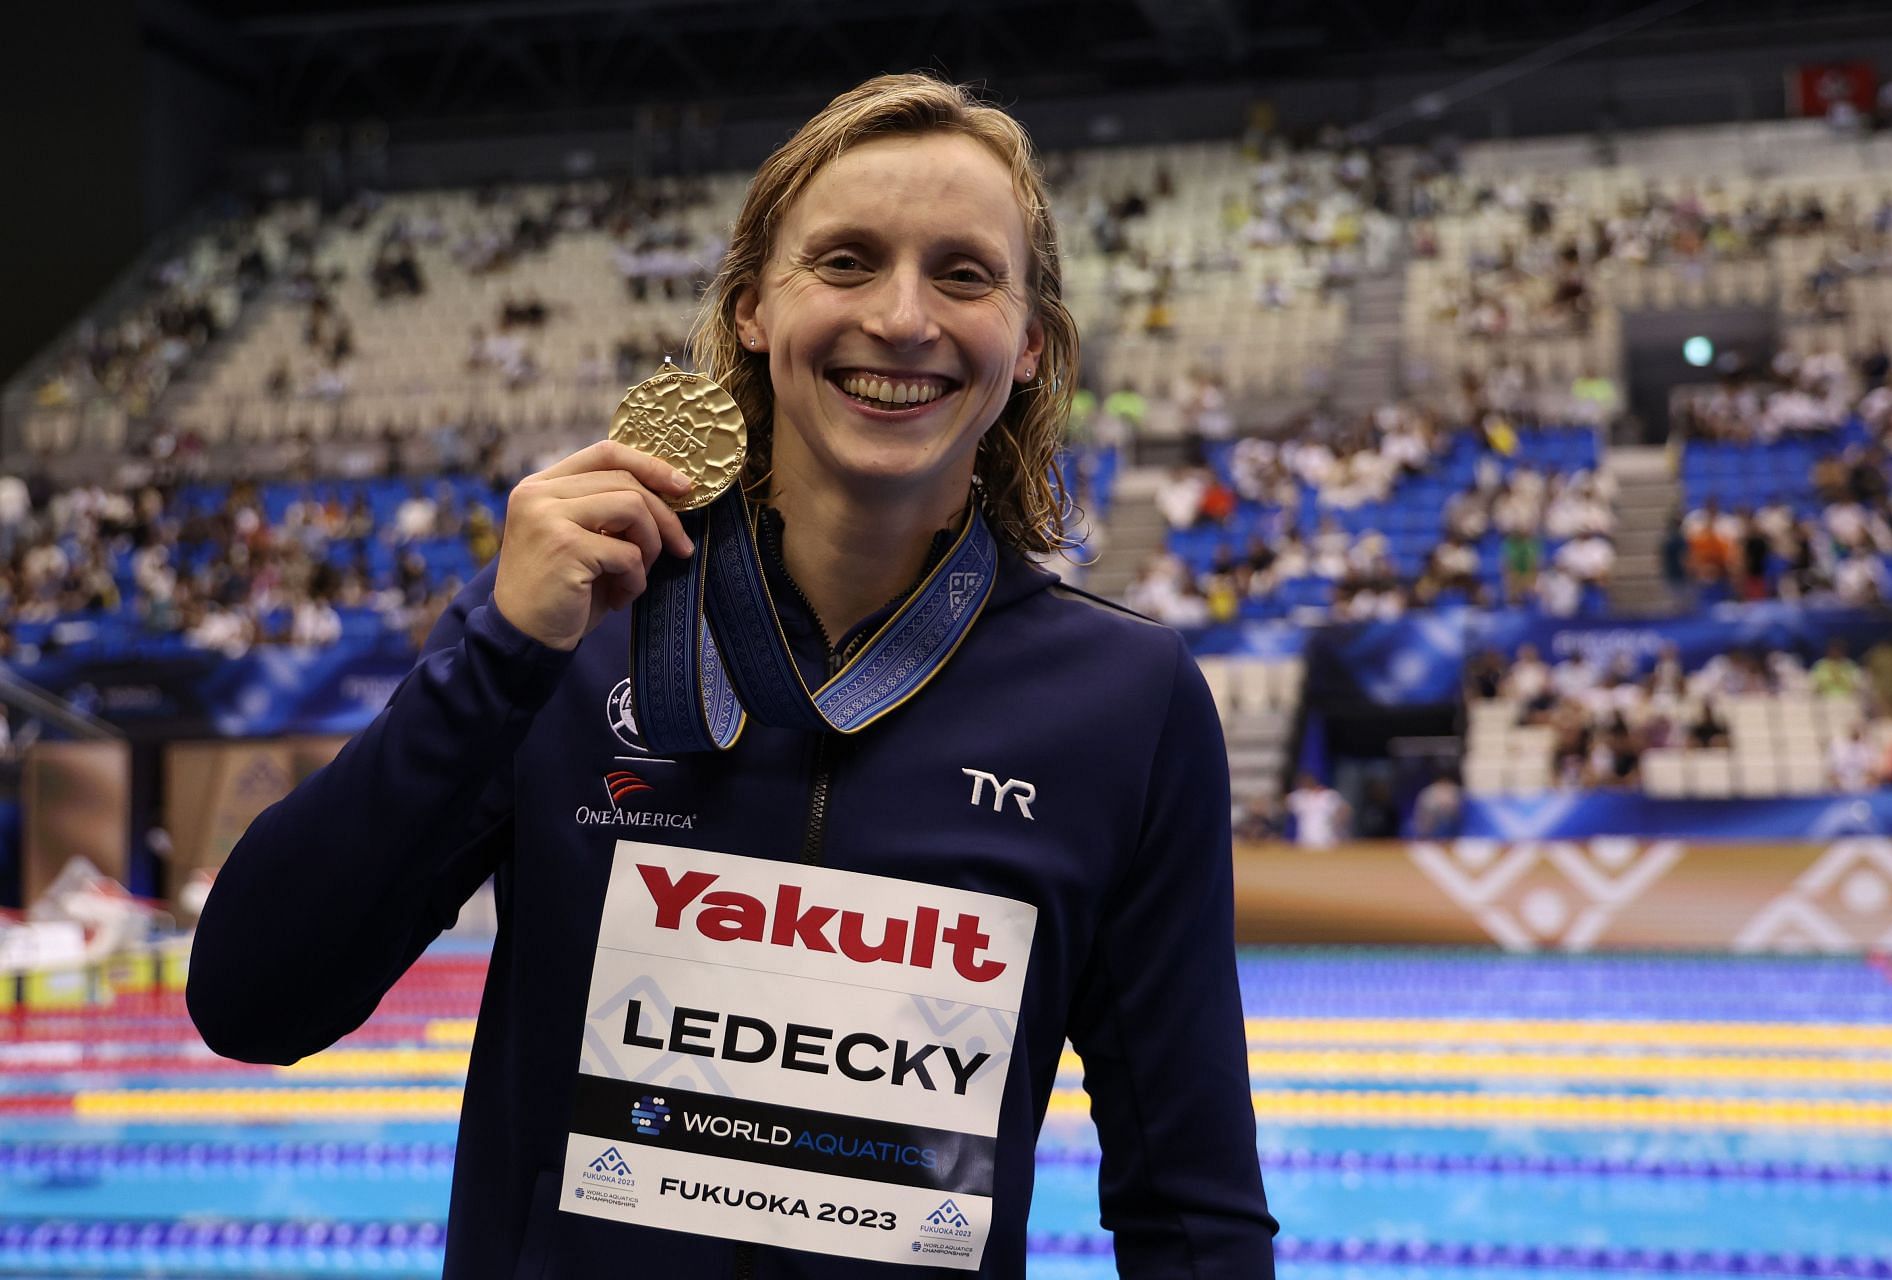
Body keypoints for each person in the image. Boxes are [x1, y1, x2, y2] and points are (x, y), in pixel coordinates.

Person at [187, 75, 1274, 1277]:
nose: (904, 317)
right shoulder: (567, 630)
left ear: (1027, 344)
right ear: (754, 307)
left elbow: (1191, 1205)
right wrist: (495, 659)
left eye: (963, 273)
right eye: (847, 262)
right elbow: (252, 1001)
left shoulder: (1125, 698)